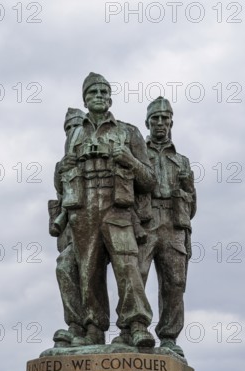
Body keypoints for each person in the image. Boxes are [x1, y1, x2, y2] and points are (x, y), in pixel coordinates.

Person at [58, 72, 156, 347]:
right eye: (93, 93)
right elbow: (64, 175)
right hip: (84, 207)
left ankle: (136, 325)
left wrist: (128, 160)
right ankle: (92, 329)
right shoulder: (75, 134)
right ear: (85, 100)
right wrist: (61, 170)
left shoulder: (128, 131)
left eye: (103, 92)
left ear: (110, 98)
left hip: (117, 207)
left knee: (128, 266)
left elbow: (150, 181)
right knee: (88, 270)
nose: (98, 97)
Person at [138, 96, 197, 357]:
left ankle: (169, 337)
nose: (160, 123)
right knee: (135, 274)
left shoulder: (182, 161)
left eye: (165, 118)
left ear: (172, 121)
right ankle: (135, 328)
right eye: (155, 118)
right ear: (148, 122)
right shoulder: (139, 152)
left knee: (175, 282)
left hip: (174, 224)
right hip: (146, 220)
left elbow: (193, 207)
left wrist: (187, 187)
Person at [48, 108, 86, 347]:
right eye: (69, 128)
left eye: (77, 126)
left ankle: (128, 328)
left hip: (107, 223)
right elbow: (60, 193)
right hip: (73, 230)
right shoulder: (61, 165)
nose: (73, 132)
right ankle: (76, 325)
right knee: (65, 267)